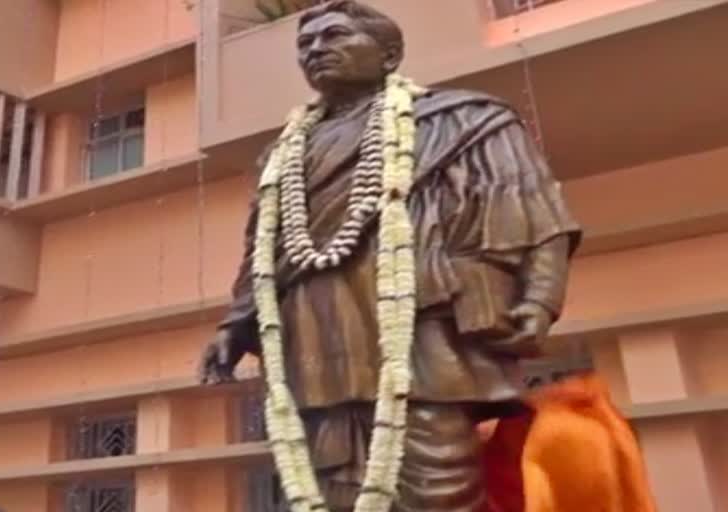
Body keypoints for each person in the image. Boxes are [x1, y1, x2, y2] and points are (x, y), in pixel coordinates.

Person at [200, 1, 581, 510]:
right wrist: (234, 326)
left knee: (438, 487)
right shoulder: (282, 156)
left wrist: (538, 300)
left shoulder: (460, 121)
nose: (316, 50)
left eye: (334, 36)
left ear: (389, 54)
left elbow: (533, 209)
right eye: (305, 45)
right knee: (329, 484)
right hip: (315, 332)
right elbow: (263, 249)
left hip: (421, 327)